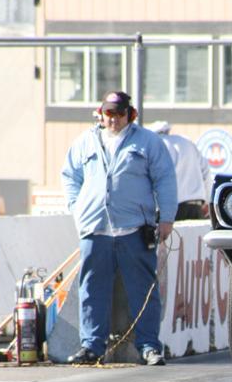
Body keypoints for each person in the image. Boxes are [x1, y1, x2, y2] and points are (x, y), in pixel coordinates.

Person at [60, 91, 178, 366]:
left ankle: (149, 346)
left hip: (134, 228)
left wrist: (167, 218)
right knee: (91, 288)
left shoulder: (148, 142)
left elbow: (165, 180)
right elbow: (69, 176)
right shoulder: (84, 142)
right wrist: (78, 210)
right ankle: (92, 346)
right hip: (95, 228)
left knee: (144, 289)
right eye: (109, 113)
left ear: (130, 115)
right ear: (100, 114)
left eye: (119, 114)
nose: (113, 119)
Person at [149, 121, 213, 220]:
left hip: (167, 209)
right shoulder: (186, 142)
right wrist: (208, 202)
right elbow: (206, 172)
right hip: (195, 206)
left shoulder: (155, 146)